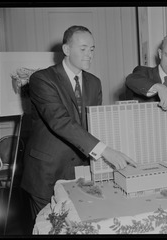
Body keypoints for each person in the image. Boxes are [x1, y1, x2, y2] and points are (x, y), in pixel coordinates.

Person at [20, 25, 136, 222]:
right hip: (46, 173)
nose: (89, 54)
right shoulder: (41, 79)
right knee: (48, 227)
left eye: (92, 49)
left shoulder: (94, 82)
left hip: (78, 174)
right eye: (83, 49)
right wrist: (106, 151)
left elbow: (93, 125)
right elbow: (61, 122)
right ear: (66, 50)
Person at [125, 33, 167, 163]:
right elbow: (131, 80)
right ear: (160, 54)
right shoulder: (143, 73)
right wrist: (159, 87)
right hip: (142, 156)